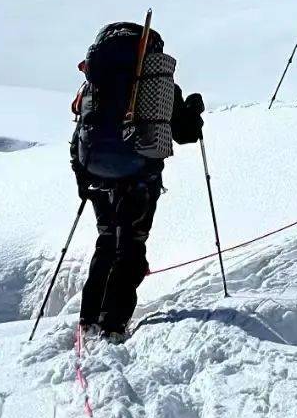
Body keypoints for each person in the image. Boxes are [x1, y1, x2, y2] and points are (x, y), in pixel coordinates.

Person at [70, 21, 204, 340]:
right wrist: (193, 111)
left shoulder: (93, 82)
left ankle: (89, 318)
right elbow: (185, 132)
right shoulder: (155, 83)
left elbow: (80, 125)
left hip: (95, 172)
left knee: (107, 239)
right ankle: (113, 325)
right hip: (139, 175)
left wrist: (82, 180)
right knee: (131, 243)